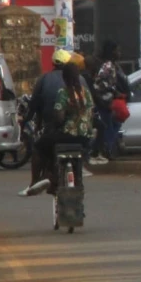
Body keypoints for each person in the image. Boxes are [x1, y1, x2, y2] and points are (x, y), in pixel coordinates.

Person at [28, 62, 94, 196]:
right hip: (85, 137)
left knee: (39, 146)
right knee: (53, 142)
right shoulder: (86, 92)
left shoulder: (64, 92)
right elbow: (91, 113)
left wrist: (54, 125)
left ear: (64, 77)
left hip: (68, 135)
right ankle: (54, 177)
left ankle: (36, 181)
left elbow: (59, 118)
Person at [19, 49, 70, 196]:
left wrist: (26, 120)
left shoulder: (45, 79)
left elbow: (34, 104)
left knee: (38, 148)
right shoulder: (80, 81)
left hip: (54, 127)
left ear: (54, 63)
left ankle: (34, 182)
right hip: (81, 133)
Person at [93, 40, 129, 160]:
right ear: (112, 52)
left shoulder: (114, 66)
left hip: (110, 102)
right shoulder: (107, 66)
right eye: (117, 50)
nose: (119, 53)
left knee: (114, 124)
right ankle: (105, 150)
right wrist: (115, 92)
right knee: (109, 126)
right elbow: (100, 83)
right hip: (105, 102)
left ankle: (103, 149)